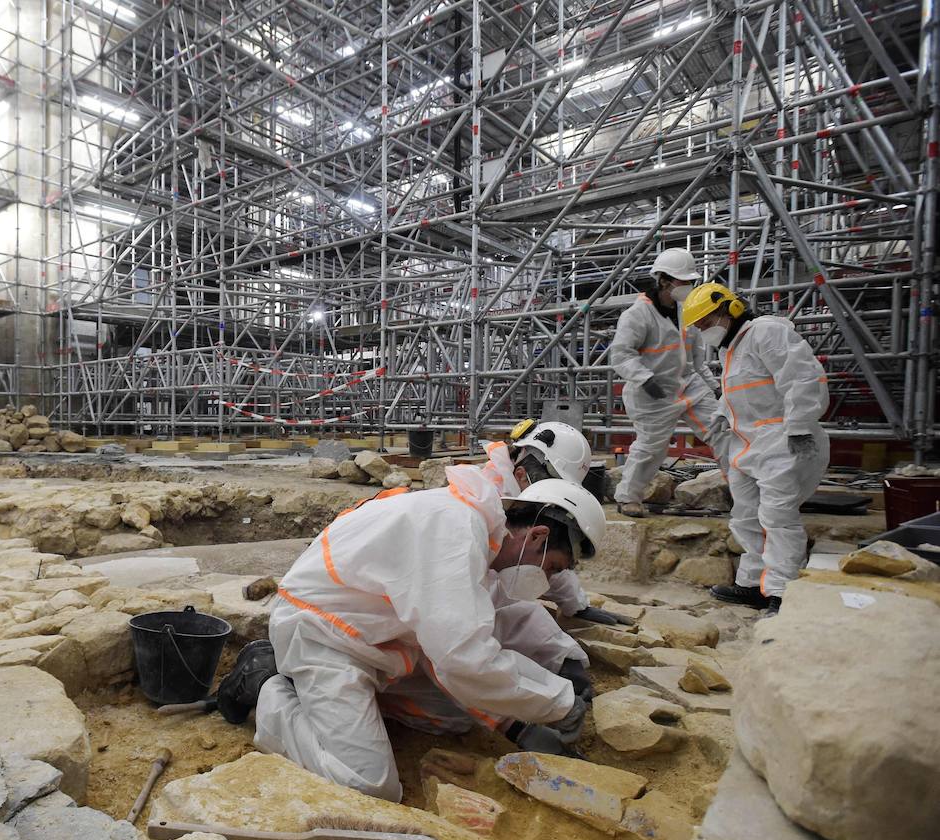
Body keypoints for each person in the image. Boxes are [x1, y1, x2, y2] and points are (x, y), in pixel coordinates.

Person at [216, 471, 605, 802]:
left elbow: (450, 652)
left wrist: (519, 726)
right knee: (369, 783)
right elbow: (463, 658)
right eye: (553, 568)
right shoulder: (454, 535)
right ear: (536, 537)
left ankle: (338, 708)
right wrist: (557, 703)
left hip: (378, 642)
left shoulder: (476, 535)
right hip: (324, 636)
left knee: (451, 719)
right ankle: (266, 682)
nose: (550, 581)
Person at [681, 282, 828, 614]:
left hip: (781, 441)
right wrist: (720, 415)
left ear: (730, 309)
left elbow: (803, 379)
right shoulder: (731, 349)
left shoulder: (766, 332)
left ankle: (781, 590)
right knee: (746, 517)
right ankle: (752, 584)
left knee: (777, 518)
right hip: (748, 446)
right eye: (699, 326)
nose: (704, 331)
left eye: (706, 323)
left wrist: (801, 427)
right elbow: (740, 393)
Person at [609, 247, 732, 517]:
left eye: (691, 281)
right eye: (683, 281)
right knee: (653, 447)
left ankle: (744, 489)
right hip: (652, 393)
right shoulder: (637, 315)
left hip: (687, 384)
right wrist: (644, 377)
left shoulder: (686, 311)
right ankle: (628, 497)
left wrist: (712, 385)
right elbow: (620, 354)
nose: (688, 286)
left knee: (723, 427)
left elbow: (697, 360)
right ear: (663, 280)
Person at [476, 421, 632, 627]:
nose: (553, 492)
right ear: (522, 474)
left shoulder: (515, 492)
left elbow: (543, 558)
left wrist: (576, 605)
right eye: (551, 483)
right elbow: (525, 567)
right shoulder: (487, 500)